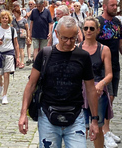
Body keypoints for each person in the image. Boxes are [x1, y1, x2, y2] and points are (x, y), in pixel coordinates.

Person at [18, 16, 99, 147]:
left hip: (76, 116)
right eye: (64, 38)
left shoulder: (83, 57)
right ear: (56, 33)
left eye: (72, 38)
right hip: (47, 116)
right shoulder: (45, 54)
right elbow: (31, 85)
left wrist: (94, 120)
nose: (68, 42)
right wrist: (23, 114)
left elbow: (90, 89)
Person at [96, 0, 122, 147]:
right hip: (101, 67)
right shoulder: (97, 23)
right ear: (105, 6)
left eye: (116, 5)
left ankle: (106, 129)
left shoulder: (117, 22)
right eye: (112, 5)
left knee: (111, 98)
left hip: (115, 65)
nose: (115, 7)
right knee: (107, 97)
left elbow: (121, 42)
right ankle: (104, 133)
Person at [79, 17, 113, 148]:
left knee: (97, 126)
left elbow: (109, 74)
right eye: (86, 28)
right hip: (80, 92)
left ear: (97, 30)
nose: (88, 31)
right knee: (80, 127)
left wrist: (101, 83)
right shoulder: (77, 48)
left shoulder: (104, 49)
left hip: (97, 92)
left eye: (91, 28)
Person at [0, 10, 20, 104]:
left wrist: (18, 57)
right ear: (0, 19)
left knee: (6, 74)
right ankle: (1, 84)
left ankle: (4, 95)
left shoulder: (12, 30)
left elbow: (16, 44)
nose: (4, 20)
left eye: (6, 18)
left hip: (9, 53)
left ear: (9, 19)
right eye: (3, 18)